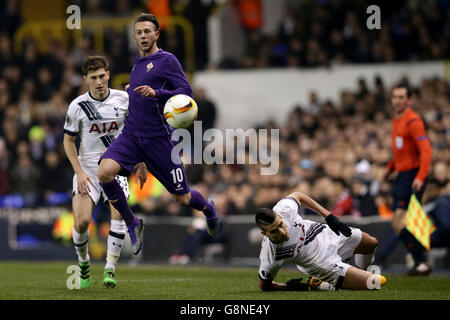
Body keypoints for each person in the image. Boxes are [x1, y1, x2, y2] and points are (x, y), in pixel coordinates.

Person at [97, 13, 218, 255]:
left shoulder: (167, 60)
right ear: (134, 36)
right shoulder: (136, 63)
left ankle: (208, 209)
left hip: (160, 139)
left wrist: (157, 93)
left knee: (182, 199)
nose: (143, 36)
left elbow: (187, 92)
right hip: (132, 135)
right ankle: (133, 222)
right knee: (104, 173)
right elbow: (139, 104)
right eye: (139, 32)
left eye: (147, 32)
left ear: (156, 34)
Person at [63, 55, 147, 288]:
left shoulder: (124, 99)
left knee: (118, 215)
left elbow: (136, 132)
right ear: (85, 79)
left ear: (108, 74)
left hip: (115, 168)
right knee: (81, 223)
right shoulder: (77, 106)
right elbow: (68, 142)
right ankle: (84, 262)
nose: (99, 81)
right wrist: (79, 171)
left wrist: (140, 162)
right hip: (88, 171)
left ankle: (110, 269)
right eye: (93, 78)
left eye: (102, 76)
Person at [256, 191, 386, 291]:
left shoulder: (284, 210)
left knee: (371, 243)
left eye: (280, 225)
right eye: (274, 231)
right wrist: (287, 286)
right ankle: (319, 283)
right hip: (321, 262)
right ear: (265, 234)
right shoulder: (271, 254)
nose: (282, 232)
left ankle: (360, 272)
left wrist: (328, 216)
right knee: (374, 283)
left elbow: (298, 196)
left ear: (279, 216)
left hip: (325, 234)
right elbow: (264, 285)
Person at [383, 84, 432, 275]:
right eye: (395, 97)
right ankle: (420, 261)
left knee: (400, 221)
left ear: (409, 100)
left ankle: (421, 260)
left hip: (412, 175)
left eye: (401, 97)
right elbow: (400, 152)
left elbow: (426, 151)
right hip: (403, 175)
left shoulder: (414, 121)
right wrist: (389, 169)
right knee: (402, 222)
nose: (397, 100)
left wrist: (420, 176)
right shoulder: (398, 120)